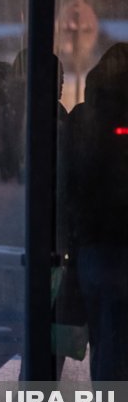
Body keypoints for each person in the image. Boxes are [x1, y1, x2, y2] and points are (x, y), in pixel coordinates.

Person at [64, 42, 128, 380]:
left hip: (90, 249)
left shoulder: (82, 121)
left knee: (105, 342)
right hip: (118, 247)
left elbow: (69, 183)